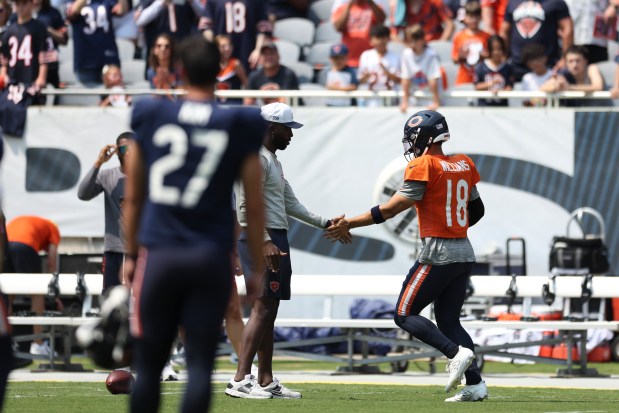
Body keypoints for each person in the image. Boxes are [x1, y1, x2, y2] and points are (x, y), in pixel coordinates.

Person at [124, 34, 266, 412]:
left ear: (180, 70)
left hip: (161, 252)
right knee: (201, 364)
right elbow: (253, 205)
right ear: (220, 72)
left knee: (150, 364)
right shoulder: (239, 122)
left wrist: (129, 253)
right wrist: (254, 267)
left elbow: (134, 194)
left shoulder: (153, 114)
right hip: (209, 256)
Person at [325, 109, 487, 403]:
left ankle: (455, 354)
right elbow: (477, 211)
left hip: (439, 251)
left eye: (413, 139)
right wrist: (454, 226)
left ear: (424, 137)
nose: (410, 145)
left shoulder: (424, 165)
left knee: (403, 313)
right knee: (449, 321)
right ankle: (475, 384)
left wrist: (349, 223)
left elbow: (389, 210)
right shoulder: (463, 163)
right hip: (464, 250)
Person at [226, 102, 347, 399]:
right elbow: (244, 206)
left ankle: (265, 379)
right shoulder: (256, 159)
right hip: (262, 238)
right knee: (263, 307)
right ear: (270, 128)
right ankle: (240, 379)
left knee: (270, 308)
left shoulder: (271, 160)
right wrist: (265, 239)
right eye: (287, 129)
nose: (291, 135)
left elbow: (291, 203)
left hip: (273, 237)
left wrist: (326, 223)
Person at [77, 133, 131, 294]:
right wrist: (98, 163)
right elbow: (83, 194)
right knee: (110, 299)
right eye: (124, 148)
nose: (128, 152)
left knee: (141, 303)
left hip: (141, 252)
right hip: (114, 251)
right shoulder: (108, 176)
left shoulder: (148, 176)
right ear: (117, 151)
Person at [6, 215, 60, 356]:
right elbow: (52, 261)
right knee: (38, 292)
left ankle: (7, 342)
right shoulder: (53, 228)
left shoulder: (30, 222)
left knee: (7, 294)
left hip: (4, 245)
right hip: (24, 246)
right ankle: (38, 344)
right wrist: (54, 294)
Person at [500, 0, 573, 82]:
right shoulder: (512, 2)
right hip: (517, 65)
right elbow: (504, 32)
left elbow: (567, 29)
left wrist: (565, 58)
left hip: (547, 65)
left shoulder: (556, 2)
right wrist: (503, 55)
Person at [0, 0, 56, 103]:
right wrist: (3, 75)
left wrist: (41, 78)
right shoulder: (9, 31)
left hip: (31, 83)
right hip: (13, 84)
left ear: (31, 4)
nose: (21, 7)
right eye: (18, 4)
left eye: (24, 4)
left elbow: (45, 56)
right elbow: (4, 59)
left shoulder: (40, 28)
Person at [65, 0, 128, 84]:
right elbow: (73, 11)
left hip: (108, 55)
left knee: (111, 93)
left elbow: (121, 11)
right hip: (86, 58)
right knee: (88, 96)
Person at [201, 0, 272, 72]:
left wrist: (257, 50)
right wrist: (212, 49)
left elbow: (263, 28)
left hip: (248, 52)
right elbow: (206, 27)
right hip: (221, 53)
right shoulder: (213, 1)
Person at [541, 44, 610, 107]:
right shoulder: (564, 73)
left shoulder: (592, 68)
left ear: (586, 60)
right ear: (566, 63)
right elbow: (543, 88)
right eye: (570, 61)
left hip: (602, 115)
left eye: (578, 60)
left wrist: (570, 88)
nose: (574, 65)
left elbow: (598, 87)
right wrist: (557, 85)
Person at [331, 0, 387, 70]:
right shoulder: (342, 8)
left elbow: (382, 20)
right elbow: (338, 27)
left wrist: (370, 2)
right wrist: (349, 6)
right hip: (348, 61)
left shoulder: (374, 7)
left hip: (369, 61)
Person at [399, 24, 443, 112]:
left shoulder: (431, 55)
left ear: (422, 40)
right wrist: (404, 102)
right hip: (413, 100)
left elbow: (433, 80)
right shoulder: (406, 54)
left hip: (429, 99)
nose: (412, 44)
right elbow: (405, 79)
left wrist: (436, 102)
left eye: (414, 41)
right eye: (409, 41)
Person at [357, 24, 400, 107]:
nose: (380, 41)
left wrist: (387, 72)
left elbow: (399, 80)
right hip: (371, 98)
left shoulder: (395, 57)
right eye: (377, 37)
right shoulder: (366, 55)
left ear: (388, 39)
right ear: (371, 40)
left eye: (383, 37)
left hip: (390, 97)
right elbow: (360, 80)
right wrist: (367, 76)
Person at [452, 1, 490, 86]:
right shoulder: (459, 36)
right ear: (465, 18)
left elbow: (490, 58)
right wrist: (462, 56)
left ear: (480, 17)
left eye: (476, 17)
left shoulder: (486, 36)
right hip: (464, 79)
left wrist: (483, 55)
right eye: (470, 17)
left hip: (482, 80)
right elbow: (454, 59)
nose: (473, 20)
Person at [473, 34, 513, 106]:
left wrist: (501, 91)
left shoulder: (507, 68)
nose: (496, 52)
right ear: (489, 50)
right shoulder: (481, 67)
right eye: (493, 49)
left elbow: (509, 86)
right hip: (484, 106)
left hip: (502, 107)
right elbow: (477, 86)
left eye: (499, 49)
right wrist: (490, 84)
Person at [390, 0, 454, 42]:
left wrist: (440, 44)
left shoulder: (434, 2)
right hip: (412, 51)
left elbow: (450, 25)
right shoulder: (399, 7)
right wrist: (406, 48)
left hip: (433, 48)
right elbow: (393, 33)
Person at [215, 34, 248, 105]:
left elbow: (246, 84)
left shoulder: (236, 64)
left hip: (235, 105)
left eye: (229, 45)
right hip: (217, 106)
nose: (227, 48)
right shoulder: (212, 65)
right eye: (223, 46)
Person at [520, 42, 552, 106]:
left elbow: (551, 100)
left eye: (538, 59)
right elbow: (526, 102)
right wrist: (539, 100)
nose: (535, 63)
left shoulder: (553, 75)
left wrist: (534, 101)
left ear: (545, 58)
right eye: (531, 60)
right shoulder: (526, 78)